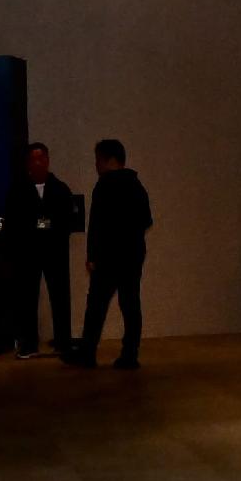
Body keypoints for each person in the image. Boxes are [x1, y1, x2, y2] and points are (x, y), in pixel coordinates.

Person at [73, 138, 151, 369]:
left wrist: (92, 255)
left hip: (108, 257)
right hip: (132, 254)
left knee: (96, 305)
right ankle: (130, 354)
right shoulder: (136, 185)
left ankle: (87, 353)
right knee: (130, 304)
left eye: (98, 160)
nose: (96, 165)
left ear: (109, 160)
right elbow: (146, 219)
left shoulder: (104, 186)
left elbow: (97, 225)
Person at [14, 142, 80, 357]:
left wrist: (50, 227)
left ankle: (63, 341)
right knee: (26, 299)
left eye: (42, 158)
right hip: (28, 253)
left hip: (55, 252)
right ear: (28, 163)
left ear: (48, 161)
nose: (39, 162)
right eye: (34, 159)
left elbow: (68, 220)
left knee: (60, 296)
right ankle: (28, 344)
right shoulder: (18, 190)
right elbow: (13, 221)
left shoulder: (60, 189)